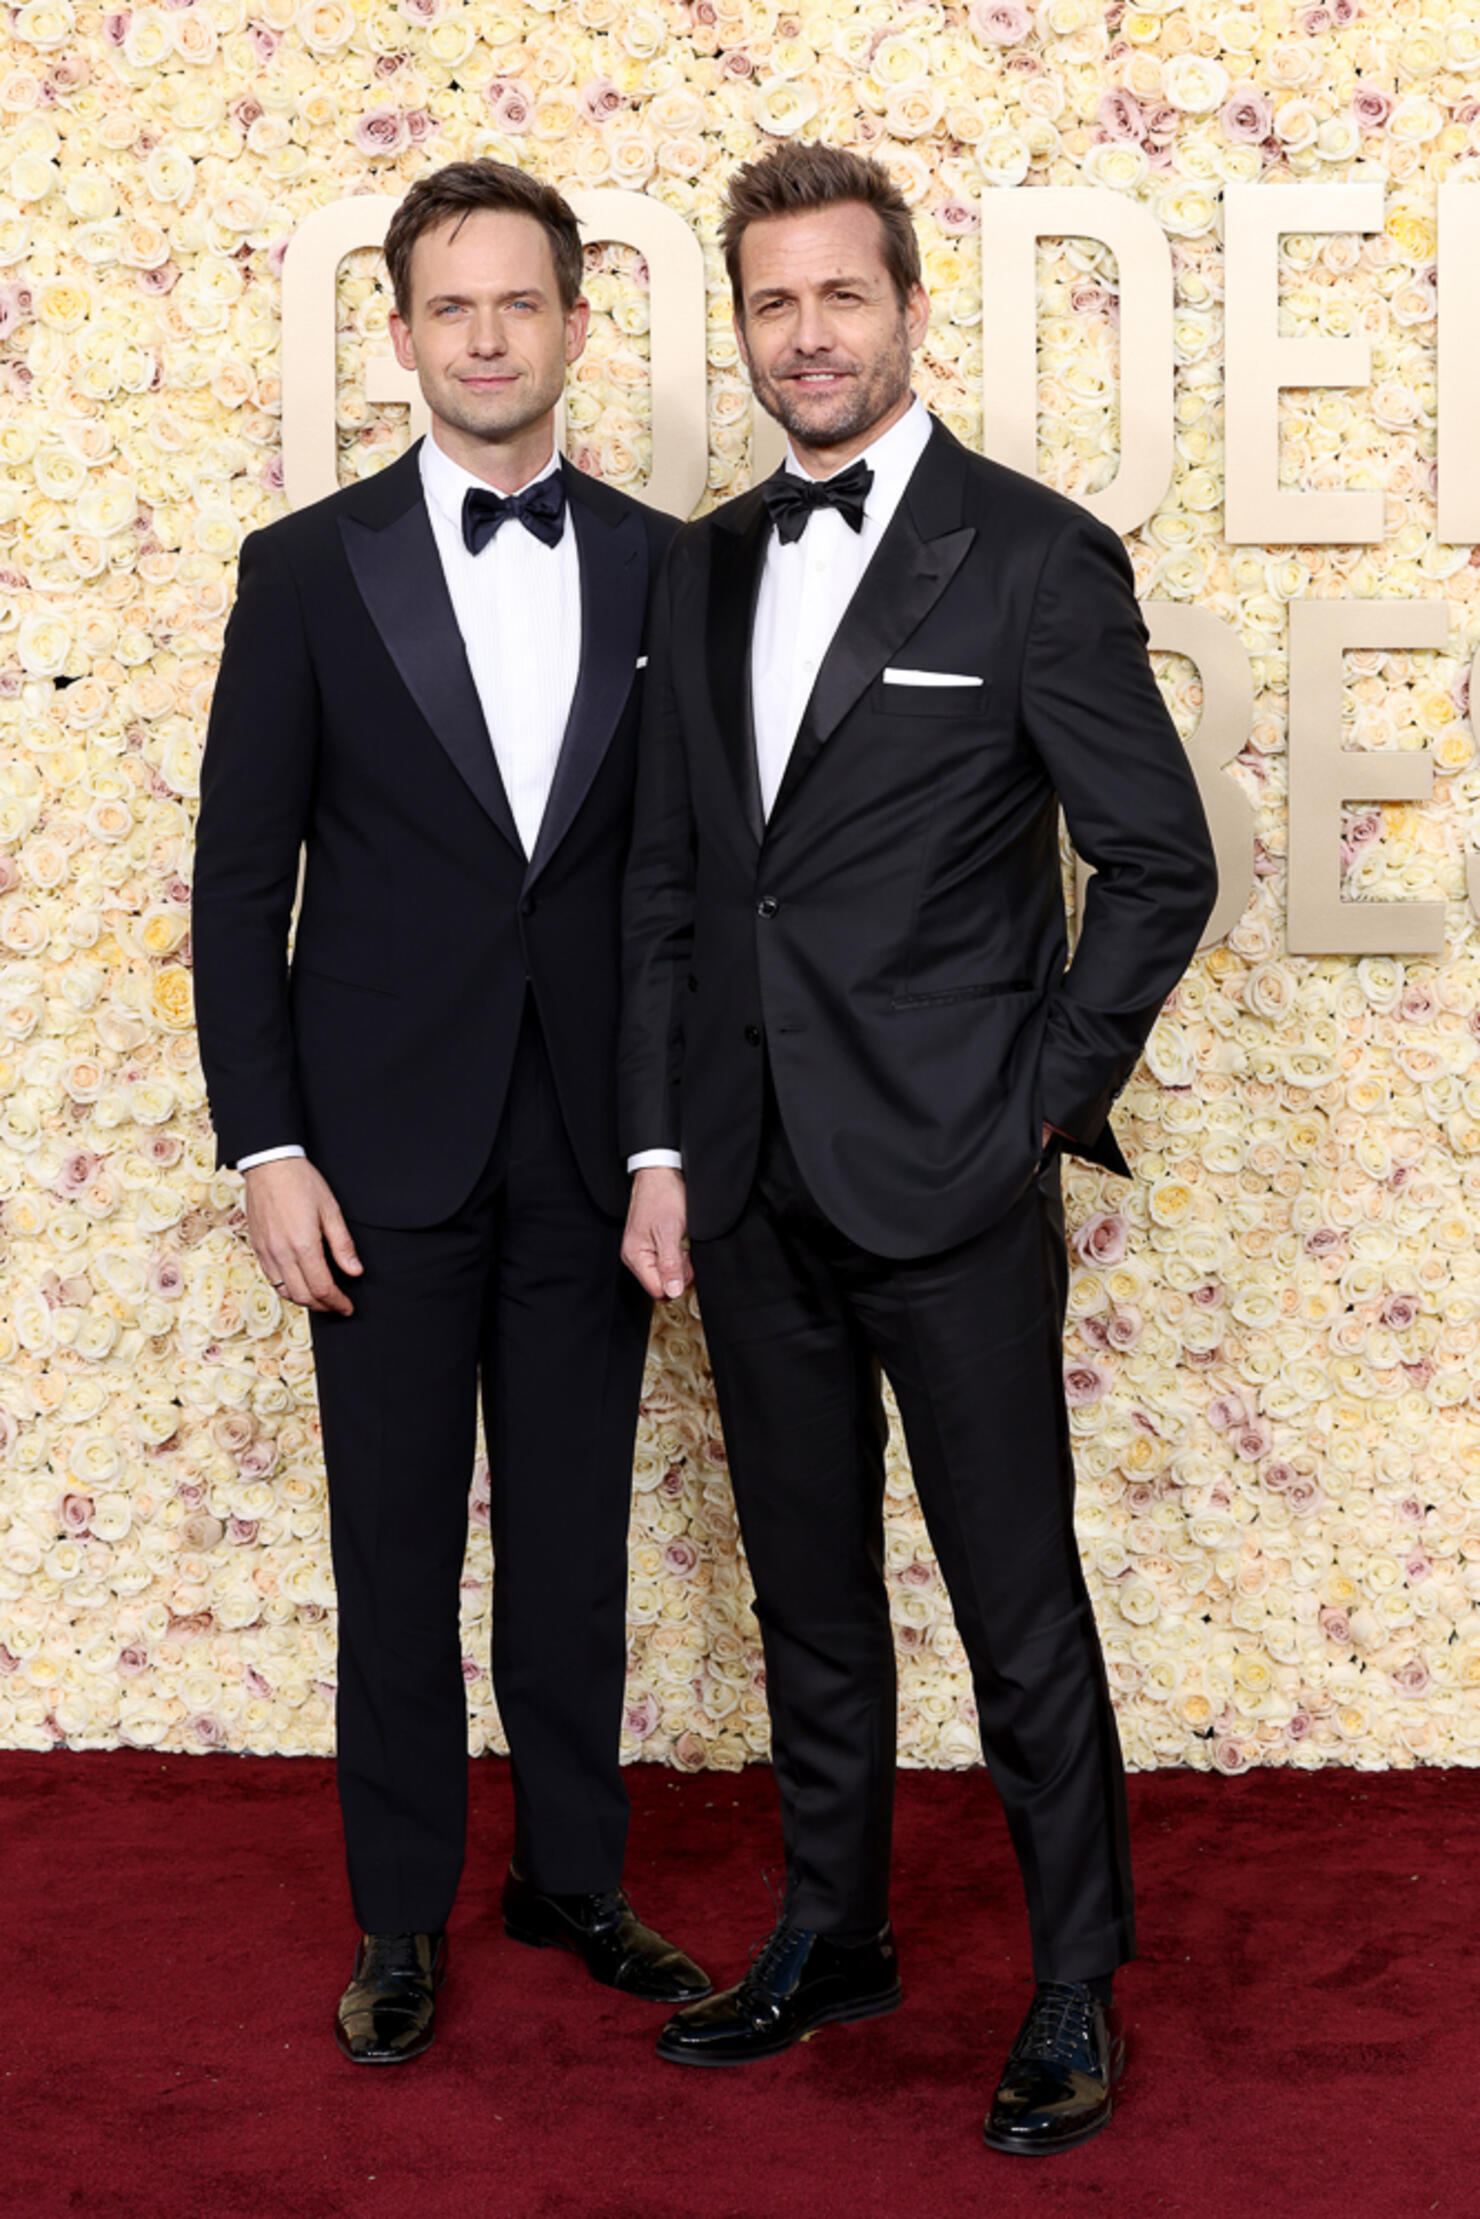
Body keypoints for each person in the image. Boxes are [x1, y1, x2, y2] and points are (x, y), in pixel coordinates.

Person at [620, 142, 1217, 2153]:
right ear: (744, 326)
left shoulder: (1033, 559)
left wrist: (1039, 1097)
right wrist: (664, 1155)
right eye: (770, 303)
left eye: (837, 296)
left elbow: (1153, 861)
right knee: (805, 1594)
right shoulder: (695, 568)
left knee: (1011, 1596)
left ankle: (1066, 1986)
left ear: (905, 306)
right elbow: (688, 892)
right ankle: (832, 1932)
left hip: (951, 1182)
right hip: (752, 1178)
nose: (805, 333)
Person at [194, 160, 708, 2068]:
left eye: (520, 304)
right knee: (392, 1548)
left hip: (591, 1150)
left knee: (574, 1545)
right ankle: (399, 1913)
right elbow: (241, 884)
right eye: (449, 308)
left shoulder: (673, 564)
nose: (486, 338)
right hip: (371, 1157)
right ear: (402, 335)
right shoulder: (304, 570)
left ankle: (574, 1874)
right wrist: (266, 1147)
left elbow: (678, 886)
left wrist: (667, 1147)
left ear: (578, 324)